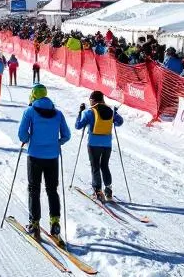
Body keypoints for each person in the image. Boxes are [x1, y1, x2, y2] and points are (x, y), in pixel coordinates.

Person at [17, 83, 71, 243]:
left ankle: (34, 223)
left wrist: (29, 140)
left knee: (34, 189)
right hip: (52, 157)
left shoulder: (30, 111)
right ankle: (55, 222)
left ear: (33, 96)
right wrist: (56, 142)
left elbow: (22, 134)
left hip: (34, 156)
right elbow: (67, 135)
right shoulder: (58, 113)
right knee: (52, 190)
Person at [74, 90, 123, 200]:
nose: (90, 102)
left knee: (95, 166)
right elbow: (120, 122)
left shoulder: (89, 112)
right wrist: (116, 113)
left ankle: (98, 190)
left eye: (90, 100)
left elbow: (78, 126)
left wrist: (80, 112)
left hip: (93, 144)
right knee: (104, 165)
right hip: (107, 144)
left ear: (94, 100)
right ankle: (108, 190)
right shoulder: (110, 111)